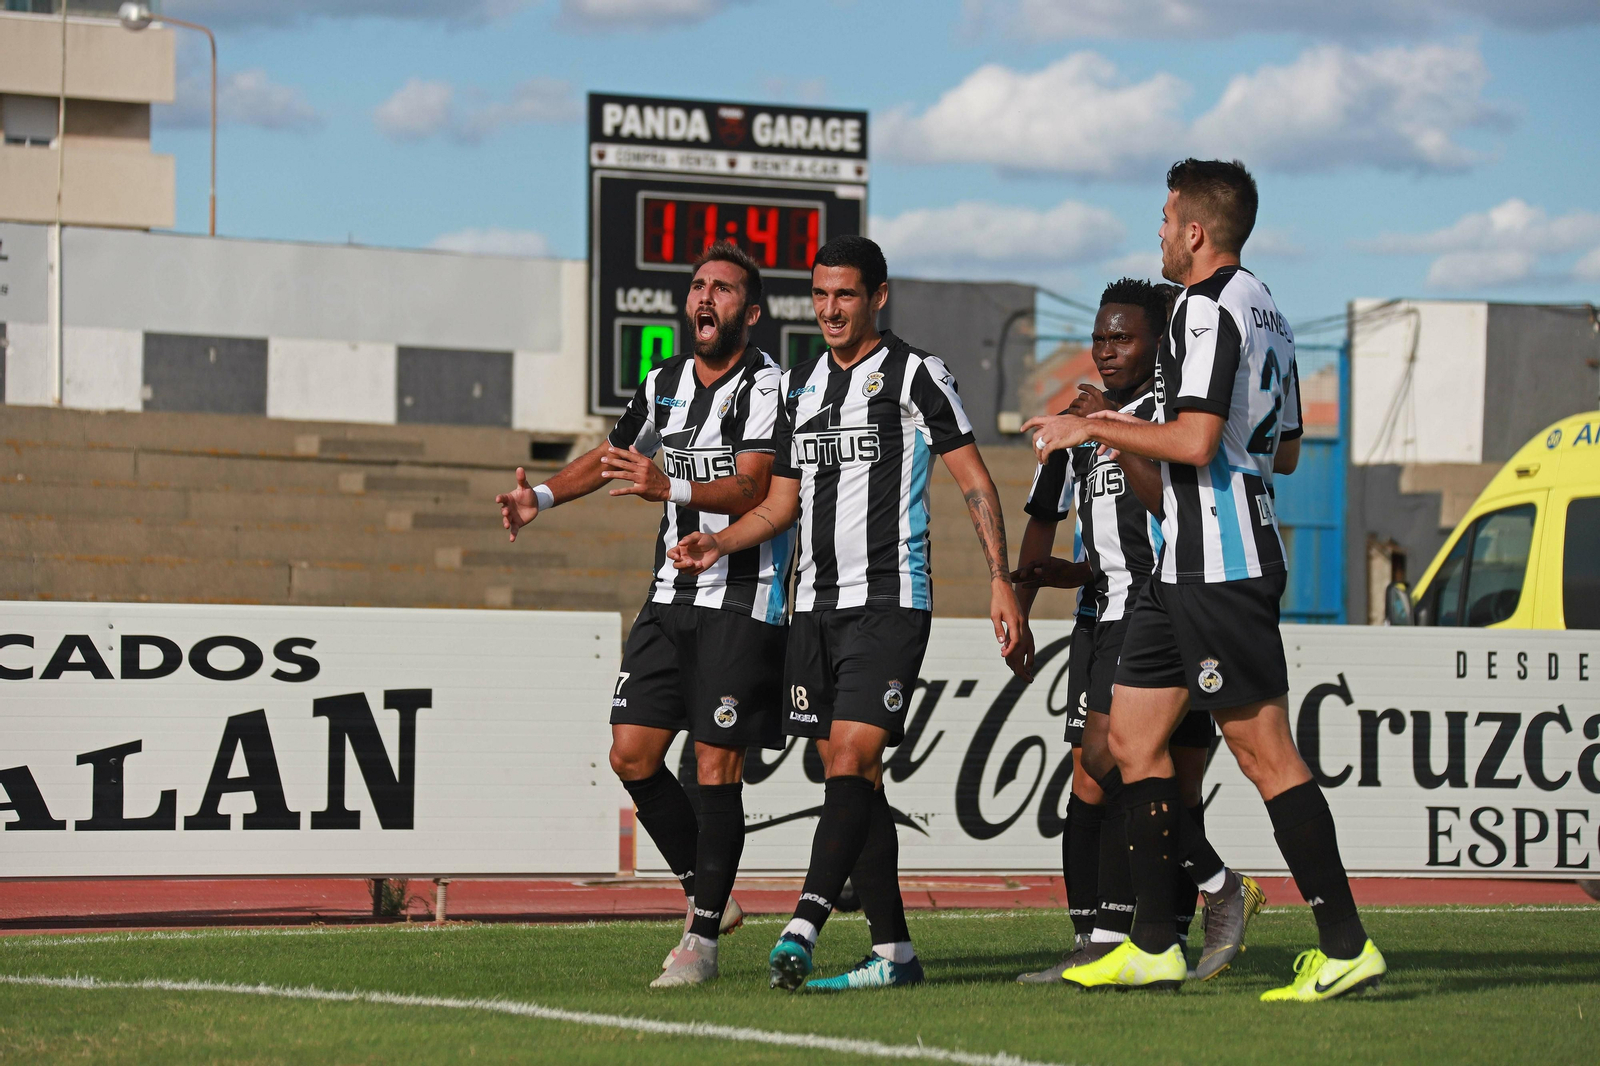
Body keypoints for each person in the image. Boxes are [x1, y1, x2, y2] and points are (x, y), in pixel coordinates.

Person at [1027, 159, 1387, 1001]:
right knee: (1133, 742)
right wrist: (1119, 427)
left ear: (1194, 231)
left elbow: (1192, 443)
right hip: (1177, 563)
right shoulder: (1271, 309)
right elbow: (1286, 448)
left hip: (1219, 563)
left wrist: (1094, 426)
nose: (1157, 232)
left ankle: (1344, 943)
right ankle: (1156, 944)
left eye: (1163, 219)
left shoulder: (1201, 306)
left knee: (1265, 756)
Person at [669, 235, 1023, 992]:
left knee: (855, 759)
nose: (830, 310)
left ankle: (802, 925)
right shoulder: (799, 388)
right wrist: (718, 542)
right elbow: (783, 505)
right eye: (821, 295)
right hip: (813, 611)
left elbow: (975, 480)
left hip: (890, 602)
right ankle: (894, 952)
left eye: (846, 296)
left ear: (878, 296)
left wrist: (1001, 579)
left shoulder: (917, 374)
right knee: (849, 776)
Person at [495, 241, 789, 988]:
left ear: (749, 313)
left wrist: (674, 491)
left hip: (742, 598)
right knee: (632, 754)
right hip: (669, 597)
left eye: (723, 288)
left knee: (717, 765)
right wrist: (543, 500)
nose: (705, 296)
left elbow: (755, 487)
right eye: (698, 285)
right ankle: (710, 896)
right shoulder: (663, 381)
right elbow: (612, 456)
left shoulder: (767, 387)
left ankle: (700, 942)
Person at [1011, 278, 1262, 985]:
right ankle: (1116, 938)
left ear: (1159, 345)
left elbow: (1174, 513)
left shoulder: (1167, 419)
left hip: (1165, 608)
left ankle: (1205, 896)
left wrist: (1113, 430)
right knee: (1111, 783)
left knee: (1113, 759)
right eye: (1100, 338)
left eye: (1123, 338)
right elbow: (1045, 529)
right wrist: (1029, 590)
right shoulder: (1076, 425)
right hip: (1105, 612)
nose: (1106, 350)